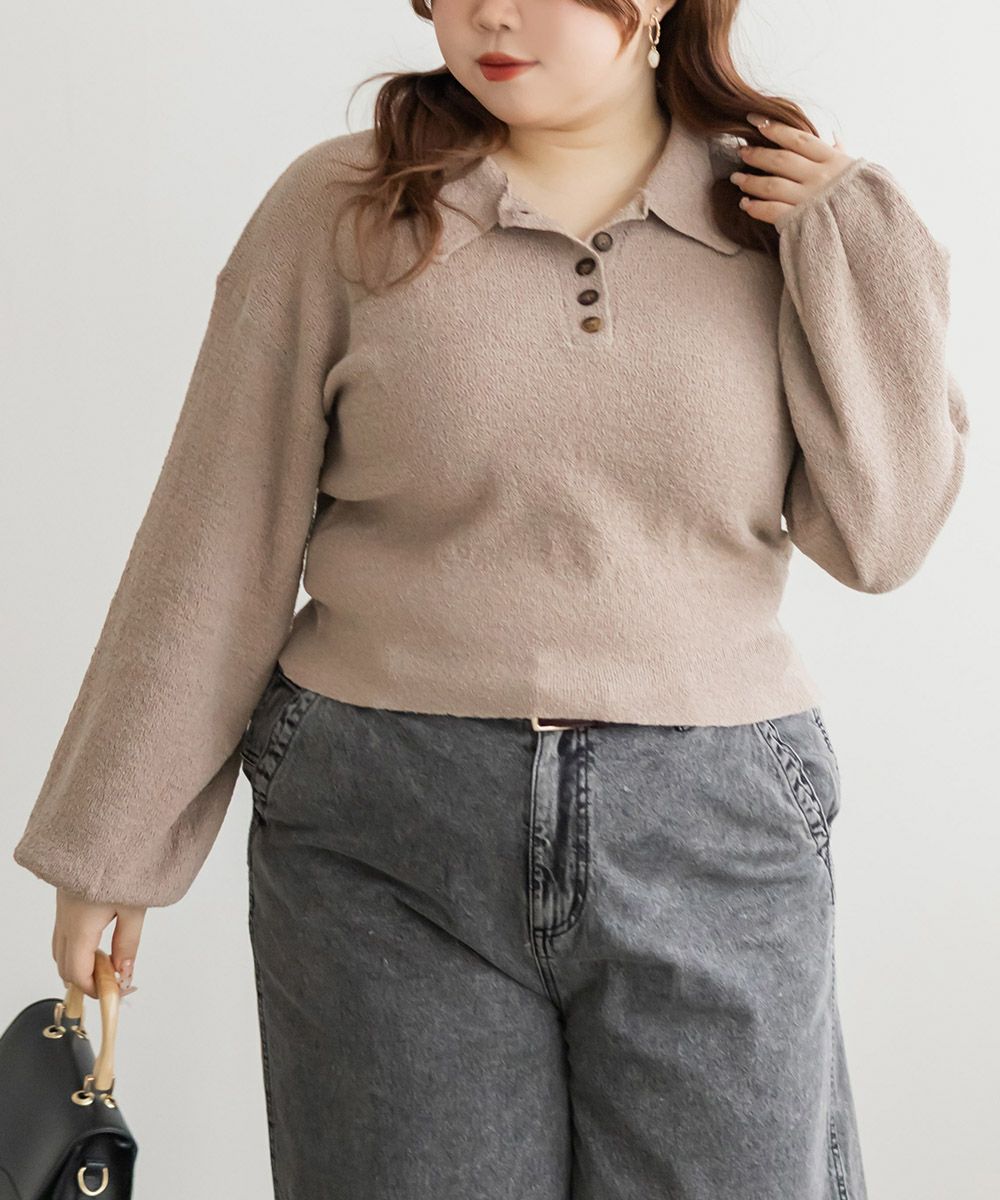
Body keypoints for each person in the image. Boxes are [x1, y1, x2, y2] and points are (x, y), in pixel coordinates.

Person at [13, 1, 968, 1197]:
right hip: (382, 830)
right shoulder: (342, 209)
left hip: (712, 830)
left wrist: (859, 245)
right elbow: (218, 528)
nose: (490, 15)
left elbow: (881, 538)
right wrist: (114, 844)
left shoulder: (775, 218)